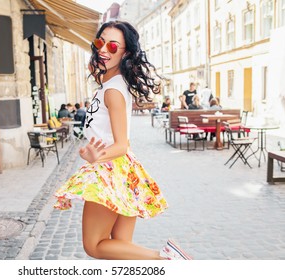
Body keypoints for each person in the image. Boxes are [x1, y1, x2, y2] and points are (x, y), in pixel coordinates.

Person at [54, 21, 191, 260]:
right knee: (120, 248)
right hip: (121, 169)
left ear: (125, 53)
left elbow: (120, 145)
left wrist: (99, 157)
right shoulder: (110, 85)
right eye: (100, 42)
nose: (103, 49)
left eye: (113, 45)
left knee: (94, 245)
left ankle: (167, 258)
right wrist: (90, 152)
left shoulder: (113, 91)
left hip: (110, 170)